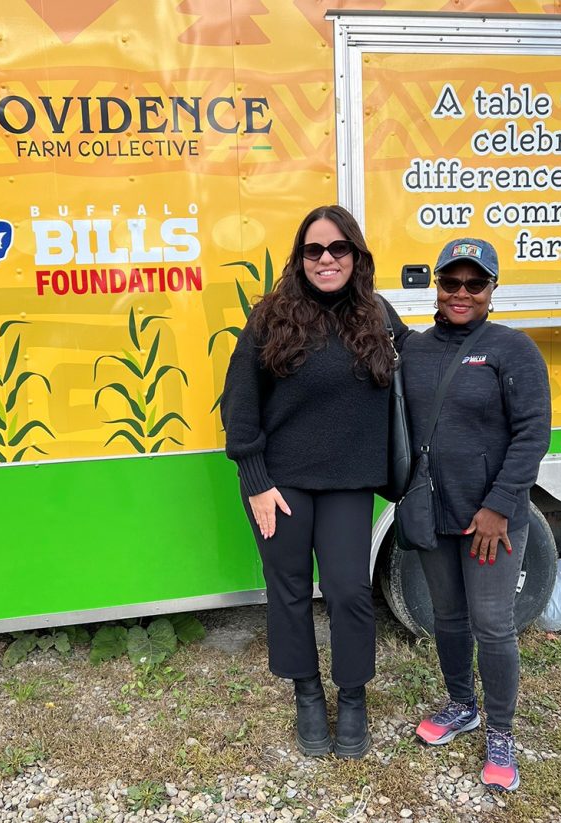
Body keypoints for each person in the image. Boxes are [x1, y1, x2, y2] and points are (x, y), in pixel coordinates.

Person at [220, 205, 409, 758]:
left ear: (356, 255)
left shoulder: (378, 315)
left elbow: (421, 364)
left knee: (350, 589)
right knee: (290, 589)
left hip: (349, 482)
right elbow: (240, 404)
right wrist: (255, 480)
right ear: (300, 258)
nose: (326, 259)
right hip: (279, 483)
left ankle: (352, 696)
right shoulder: (271, 316)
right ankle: (307, 693)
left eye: (338, 248)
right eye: (313, 250)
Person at [401, 238, 551, 791]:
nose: (461, 293)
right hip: (433, 513)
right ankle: (462, 705)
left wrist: (499, 506)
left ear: (492, 290)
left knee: (493, 626)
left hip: (491, 521)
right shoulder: (414, 350)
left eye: (475, 284)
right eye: (451, 282)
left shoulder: (512, 350)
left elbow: (534, 433)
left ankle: (502, 733)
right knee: (448, 618)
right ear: (436, 287)